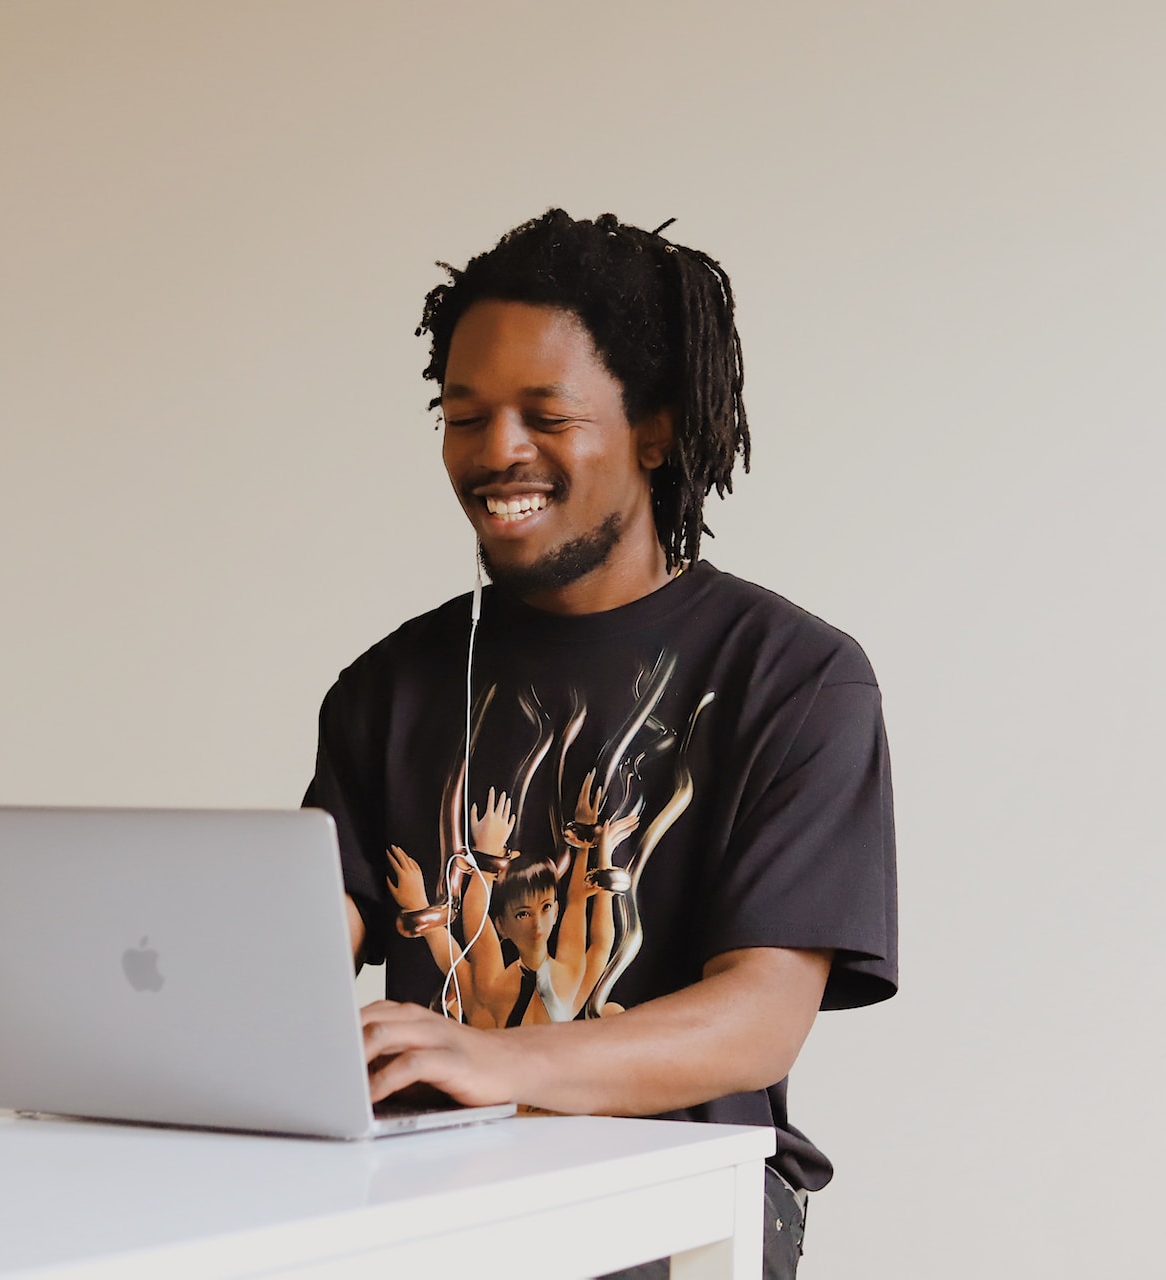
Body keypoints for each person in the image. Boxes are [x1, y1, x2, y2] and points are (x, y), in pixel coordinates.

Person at [304, 209, 898, 1279]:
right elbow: (305, 938)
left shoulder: (795, 677)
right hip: (427, 1198)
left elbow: (758, 1018)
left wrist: (498, 1060)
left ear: (654, 430)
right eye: (464, 415)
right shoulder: (386, 688)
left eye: (546, 415)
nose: (496, 452)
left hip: (672, 1206)